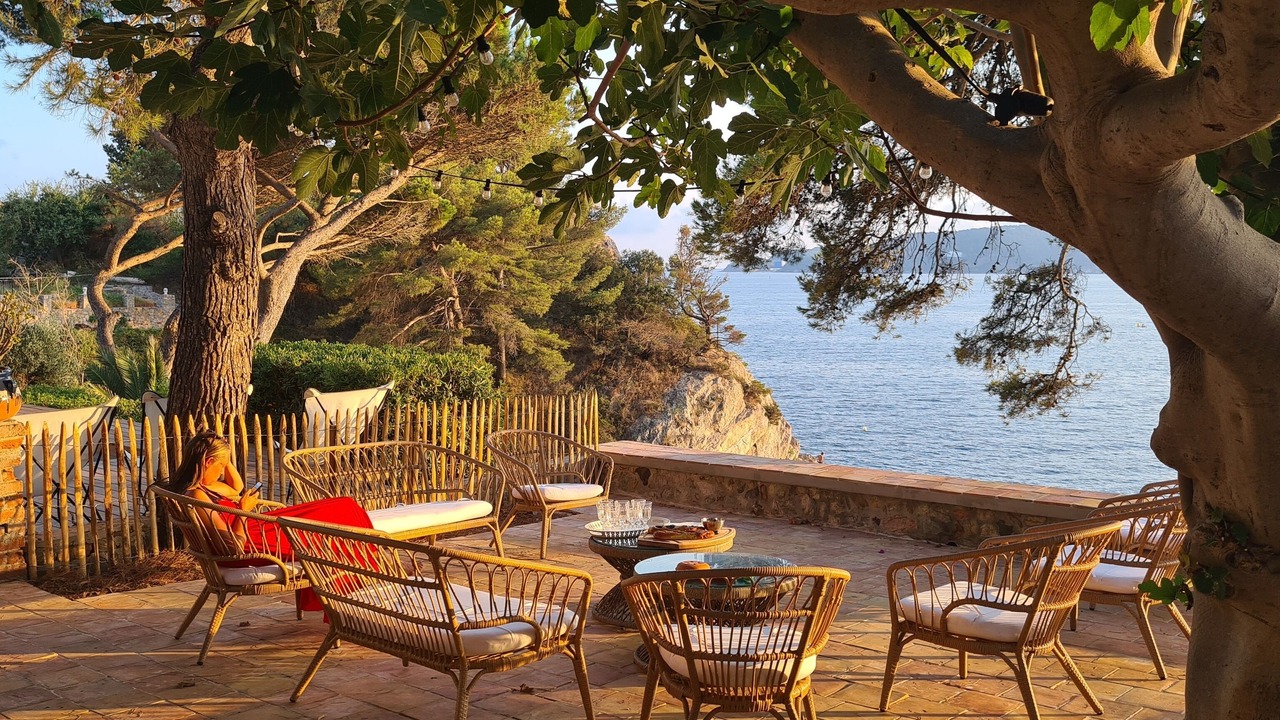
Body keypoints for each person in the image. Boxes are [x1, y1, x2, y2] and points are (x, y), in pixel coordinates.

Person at [169, 431, 373, 611]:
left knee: (341, 505)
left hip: (258, 527)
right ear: (208, 462)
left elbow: (236, 488)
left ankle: (366, 574)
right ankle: (363, 584)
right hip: (254, 541)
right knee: (336, 522)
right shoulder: (197, 496)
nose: (224, 471)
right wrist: (242, 510)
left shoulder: (204, 487)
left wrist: (225, 454)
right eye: (221, 465)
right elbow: (234, 547)